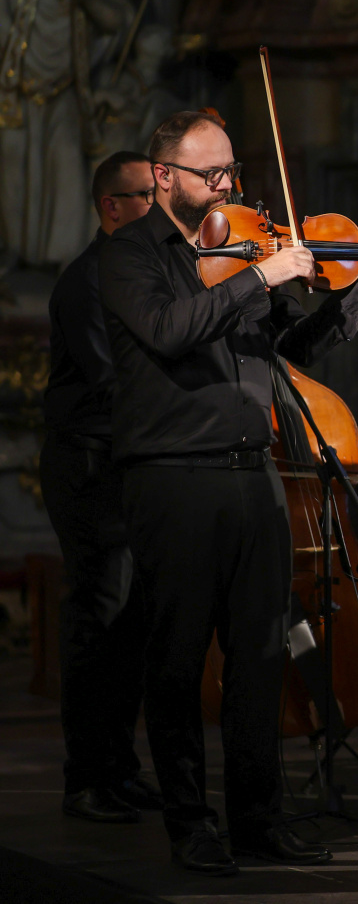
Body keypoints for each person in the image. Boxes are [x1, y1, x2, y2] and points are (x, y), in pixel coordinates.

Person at [99, 110, 358, 875]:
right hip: (174, 479)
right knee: (176, 660)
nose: (226, 186)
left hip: (255, 477)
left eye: (232, 172)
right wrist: (258, 276)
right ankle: (189, 823)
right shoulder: (129, 257)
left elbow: (293, 352)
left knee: (259, 655)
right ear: (165, 176)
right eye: (211, 175)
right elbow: (169, 331)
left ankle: (257, 820)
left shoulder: (242, 250)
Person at [41, 150, 160, 824]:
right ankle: (84, 779)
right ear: (110, 206)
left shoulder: (139, 273)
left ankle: (118, 769)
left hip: (130, 464)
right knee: (100, 618)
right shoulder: (86, 282)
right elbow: (115, 385)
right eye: (143, 194)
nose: (156, 204)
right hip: (89, 469)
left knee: (132, 626)